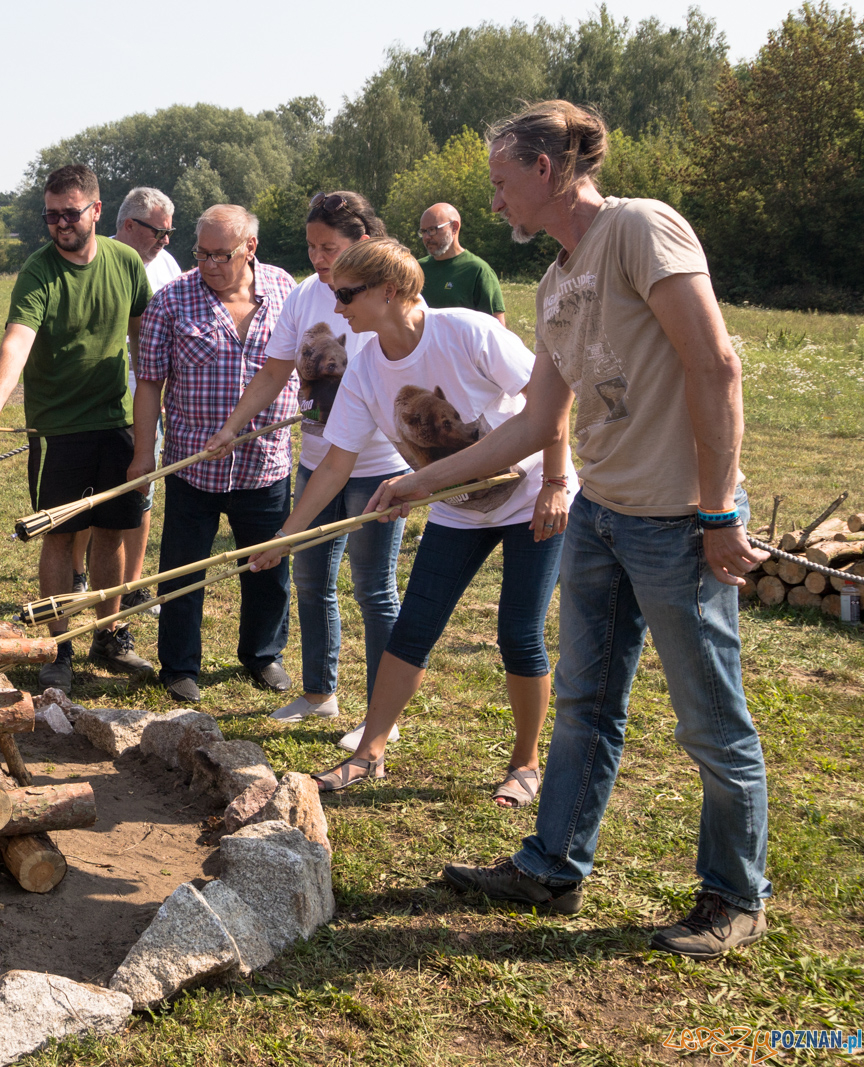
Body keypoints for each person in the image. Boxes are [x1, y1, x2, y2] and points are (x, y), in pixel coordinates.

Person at [373, 100, 771, 958]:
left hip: (677, 521)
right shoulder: (555, 282)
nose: (495, 201)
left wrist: (718, 510)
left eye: (501, 182)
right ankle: (552, 863)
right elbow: (527, 425)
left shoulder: (640, 230)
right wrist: (418, 481)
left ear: (546, 171)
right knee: (585, 702)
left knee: (708, 716)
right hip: (600, 518)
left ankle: (736, 895)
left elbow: (716, 363)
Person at [249, 237, 574, 811]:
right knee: (414, 627)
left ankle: (525, 763)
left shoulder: (466, 332)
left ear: (390, 292)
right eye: (331, 291)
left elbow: (548, 401)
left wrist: (554, 484)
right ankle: (367, 753)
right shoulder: (365, 364)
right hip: (454, 508)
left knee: (518, 632)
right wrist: (288, 534)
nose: (336, 303)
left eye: (346, 293)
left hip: (527, 500)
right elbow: (336, 461)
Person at [204, 191, 410, 730]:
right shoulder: (303, 297)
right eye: (312, 246)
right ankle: (320, 692)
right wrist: (233, 428)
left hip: (377, 464)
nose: (318, 258)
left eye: (329, 247)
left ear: (361, 242)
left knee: (374, 587)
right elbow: (274, 373)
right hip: (318, 458)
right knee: (312, 579)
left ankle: (377, 716)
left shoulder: (388, 297)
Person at [0, 164, 154, 693]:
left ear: (96, 209)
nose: (59, 225)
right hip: (58, 432)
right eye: (50, 216)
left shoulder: (125, 262)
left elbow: (145, 342)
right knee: (59, 534)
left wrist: (154, 412)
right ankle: (57, 646)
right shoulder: (39, 270)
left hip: (116, 423)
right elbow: (18, 339)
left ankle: (107, 632)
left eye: (69, 214)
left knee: (114, 532)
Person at [132, 205, 298, 704]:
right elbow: (149, 384)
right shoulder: (172, 300)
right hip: (193, 461)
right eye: (201, 253)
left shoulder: (285, 289)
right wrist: (144, 455)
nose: (208, 264)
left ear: (250, 248)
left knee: (268, 565)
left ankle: (263, 654)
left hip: (264, 460)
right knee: (184, 570)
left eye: (220, 255)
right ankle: (180, 665)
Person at [109, 185, 183, 614]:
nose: (166, 240)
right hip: (103, 400)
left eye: (169, 232)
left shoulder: (167, 265)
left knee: (142, 489)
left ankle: (134, 585)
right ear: (129, 226)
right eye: (159, 231)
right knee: (96, 487)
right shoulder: (99, 259)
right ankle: (84, 578)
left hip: (150, 399)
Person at [417, 203, 506, 324]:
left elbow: (497, 329)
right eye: (423, 231)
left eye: (432, 230)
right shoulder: (416, 269)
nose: (426, 237)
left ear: (454, 227)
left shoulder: (477, 270)